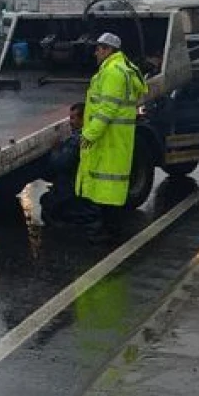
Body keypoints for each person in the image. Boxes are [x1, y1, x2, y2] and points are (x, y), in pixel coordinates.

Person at [76, 32, 148, 243]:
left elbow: (107, 109)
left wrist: (89, 134)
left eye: (99, 48)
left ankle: (109, 233)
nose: (96, 52)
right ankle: (109, 230)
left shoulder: (113, 73)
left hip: (109, 139)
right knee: (109, 187)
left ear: (108, 50)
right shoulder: (119, 69)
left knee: (107, 187)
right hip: (116, 139)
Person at [40, 102, 96, 228]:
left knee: (49, 204)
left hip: (72, 186)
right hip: (84, 185)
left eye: (73, 118)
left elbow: (61, 163)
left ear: (82, 119)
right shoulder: (90, 135)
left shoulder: (77, 140)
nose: (70, 122)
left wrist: (55, 150)